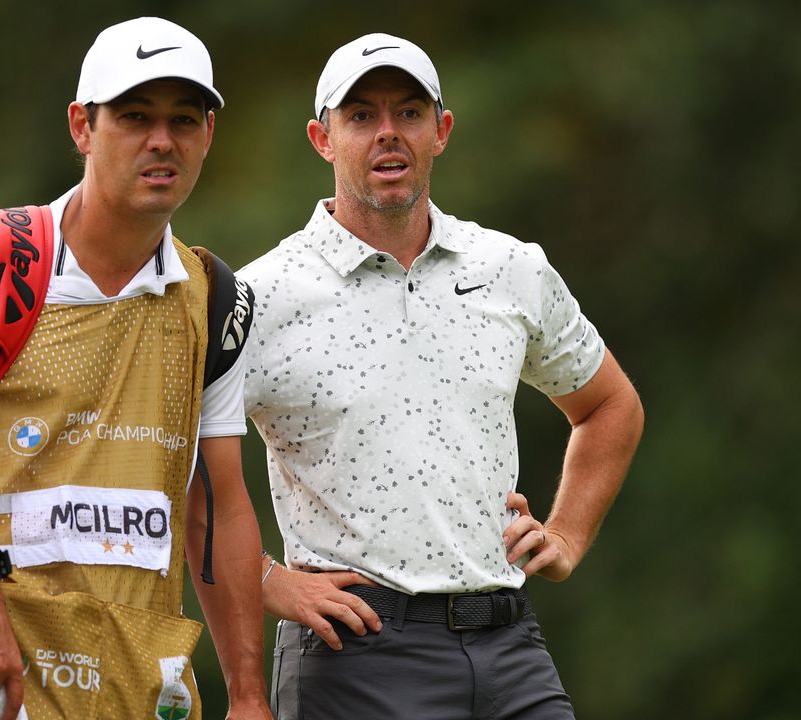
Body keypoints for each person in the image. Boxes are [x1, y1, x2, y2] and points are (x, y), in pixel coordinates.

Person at [0, 17, 270, 720]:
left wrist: (249, 696)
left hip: (145, 686)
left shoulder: (215, 299)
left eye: (184, 119)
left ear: (208, 134)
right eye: (135, 117)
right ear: (82, 126)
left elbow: (217, 506)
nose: (162, 140)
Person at [240, 33, 645, 718]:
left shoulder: (509, 268)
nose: (388, 134)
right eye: (361, 116)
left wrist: (568, 536)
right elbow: (173, 457)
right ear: (322, 138)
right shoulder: (262, 296)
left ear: (441, 131)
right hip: (355, 652)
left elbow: (609, 405)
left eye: (409, 113)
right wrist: (263, 581)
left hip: (509, 644)